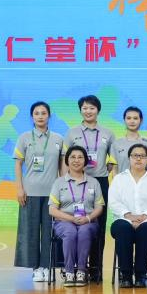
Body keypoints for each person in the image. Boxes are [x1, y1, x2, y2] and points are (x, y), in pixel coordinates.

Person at [62, 94, 116, 281]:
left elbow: (113, 161)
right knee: (75, 224)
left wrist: (108, 170)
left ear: (98, 110)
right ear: (80, 111)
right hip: (76, 182)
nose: (88, 111)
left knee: (98, 226)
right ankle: (76, 267)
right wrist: (65, 181)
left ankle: (95, 268)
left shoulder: (108, 133)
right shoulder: (72, 133)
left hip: (100, 181)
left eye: (92, 108)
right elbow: (65, 159)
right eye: (84, 108)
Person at [13, 101, 64, 282]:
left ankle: (47, 266)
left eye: (44, 113)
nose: (40, 116)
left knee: (51, 231)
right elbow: (18, 164)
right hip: (30, 192)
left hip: (52, 194)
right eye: (37, 113)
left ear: (49, 116)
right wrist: (19, 188)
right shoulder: (24, 138)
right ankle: (35, 268)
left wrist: (63, 191)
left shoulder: (58, 139)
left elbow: (62, 167)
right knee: (31, 231)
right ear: (32, 117)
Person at [108, 143, 147, 288]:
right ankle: (126, 275)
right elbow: (113, 201)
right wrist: (128, 216)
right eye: (135, 155)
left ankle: (141, 274)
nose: (138, 159)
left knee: (146, 229)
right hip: (124, 219)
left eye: (142, 156)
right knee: (122, 229)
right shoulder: (119, 178)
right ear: (129, 158)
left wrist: (144, 216)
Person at [48, 146, 105, 286]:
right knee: (70, 232)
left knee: (84, 231)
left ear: (85, 161)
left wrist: (88, 218)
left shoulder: (94, 182)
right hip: (64, 221)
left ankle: (81, 271)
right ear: (67, 160)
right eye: (73, 157)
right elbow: (52, 210)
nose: (76, 160)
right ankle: (68, 272)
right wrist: (71, 219)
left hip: (88, 221)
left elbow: (99, 207)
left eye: (80, 157)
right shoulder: (59, 182)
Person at [107, 107, 147, 179]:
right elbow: (114, 169)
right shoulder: (116, 144)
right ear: (124, 120)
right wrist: (116, 184)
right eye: (129, 118)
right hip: (122, 183)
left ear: (141, 120)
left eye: (135, 118)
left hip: (143, 183)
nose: (132, 121)